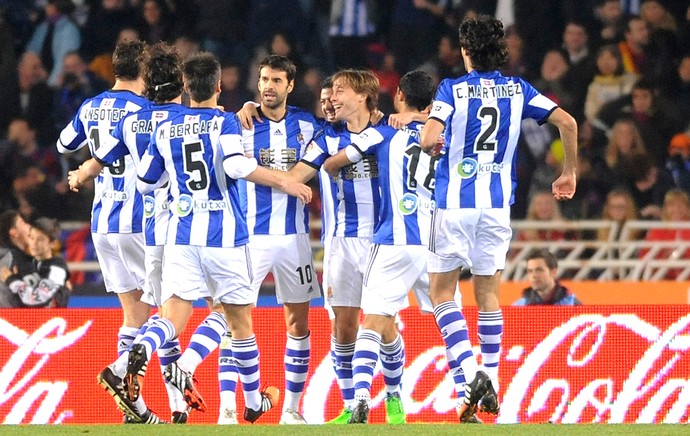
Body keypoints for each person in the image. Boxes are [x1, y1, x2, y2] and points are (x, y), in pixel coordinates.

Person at [125, 51, 311, 425]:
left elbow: (145, 182)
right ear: (218, 86)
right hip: (227, 236)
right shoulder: (225, 122)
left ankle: (137, 352)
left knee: (175, 314)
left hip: (179, 235)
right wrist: (285, 180)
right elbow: (234, 165)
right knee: (234, 318)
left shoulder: (165, 128)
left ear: (186, 87)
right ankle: (197, 369)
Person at [419, 15, 577, 422]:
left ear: (466, 51)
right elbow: (568, 122)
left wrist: (434, 142)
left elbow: (430, 137)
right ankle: (489, 377)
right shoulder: (518, 88)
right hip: (496, 207)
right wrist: (569, 171)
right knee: (488, 295)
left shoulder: (451, 88)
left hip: (454, 204)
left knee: (441, 294)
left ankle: (472, 372)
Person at [321, 70, 437, 424]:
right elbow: (313, 166)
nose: (331, 100)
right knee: (343, 327)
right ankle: (349, 404)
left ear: (363, 97)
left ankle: (393, 396)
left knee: (383, 324)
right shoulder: (322, 134)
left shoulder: (390, 134)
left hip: (381, 239)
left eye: (339, 92)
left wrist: (414, 117)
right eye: (329, 95)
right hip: (341, 240)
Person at [56, 40, 159, 423]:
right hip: (139, 223)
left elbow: (65, 143)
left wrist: (83, 167)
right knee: (167, 314)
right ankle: (146, 387)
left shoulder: (91, 106)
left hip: (103, 222)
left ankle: (136, 409)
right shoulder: (147, 111)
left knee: (134, 317)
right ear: (144, 70)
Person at [232, 54, 323, 425]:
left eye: (276, 80)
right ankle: (228, 407)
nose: (268, 86)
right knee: (232, 320)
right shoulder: (240, 123)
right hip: (250, 237)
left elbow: (335, 137)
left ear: (289, 85)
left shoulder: (306, 124)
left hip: (294, 238)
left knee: (299, 324)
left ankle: (291, 409)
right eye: (264, 79)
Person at [1, 217, 70, 308]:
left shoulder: (57, 268)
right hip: (28, 320)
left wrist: (13, 281)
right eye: (32, 238)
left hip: (51, 320)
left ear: (52, 243)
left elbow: (38, 298)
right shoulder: (29, 263)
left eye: (40, 239)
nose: (34, 243)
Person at [513, 249, 581, 306]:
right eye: (530, 271)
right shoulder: (519, 307)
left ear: (553, 272)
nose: (534, 275)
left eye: (539, 270)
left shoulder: (572, 305)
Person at [0, 210, 33, 308]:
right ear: (14, 232)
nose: (29, 226)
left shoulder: (28, 259)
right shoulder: (11, 261)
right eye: (23, 223)